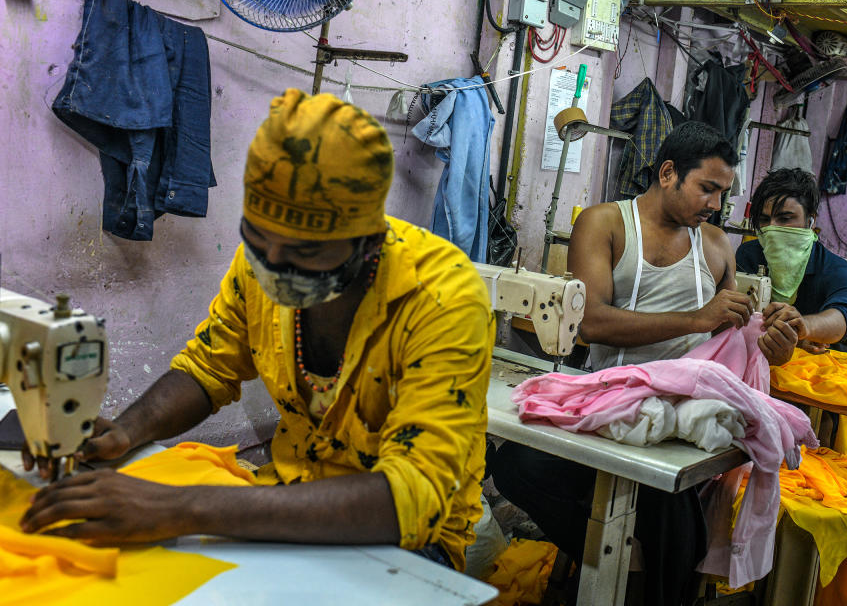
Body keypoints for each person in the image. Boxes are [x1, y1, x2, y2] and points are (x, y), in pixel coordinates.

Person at [20, 90, 495, 571]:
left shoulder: (442, 298)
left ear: (369, 241)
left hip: (408, 546)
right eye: (258, 240)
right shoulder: (262, 263)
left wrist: (176, 508)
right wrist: (126, 429)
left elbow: (408, 498)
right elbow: (208, 369)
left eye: (304, 254)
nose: (275, 266)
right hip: (288, 495)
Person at [492, 121, 795, 606]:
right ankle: (613, 557)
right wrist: (695, 318)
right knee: (515, 465)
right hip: (612, 405)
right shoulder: (607, 223)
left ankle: (628, 569)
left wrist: (770, 341)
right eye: (708, 189)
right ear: (669, 172)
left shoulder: (715, 246)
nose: (716, 204)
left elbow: (728, 333)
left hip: (678, 419)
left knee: (674, 532)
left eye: (722, 193)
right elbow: (590, 322)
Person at [736, 168, 847, 357]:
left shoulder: (837, 270)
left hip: (830, 370)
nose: (772, 228)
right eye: (765, 220)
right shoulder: (749, 255)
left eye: (785, 218)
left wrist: (804, 326)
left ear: (810, 220)